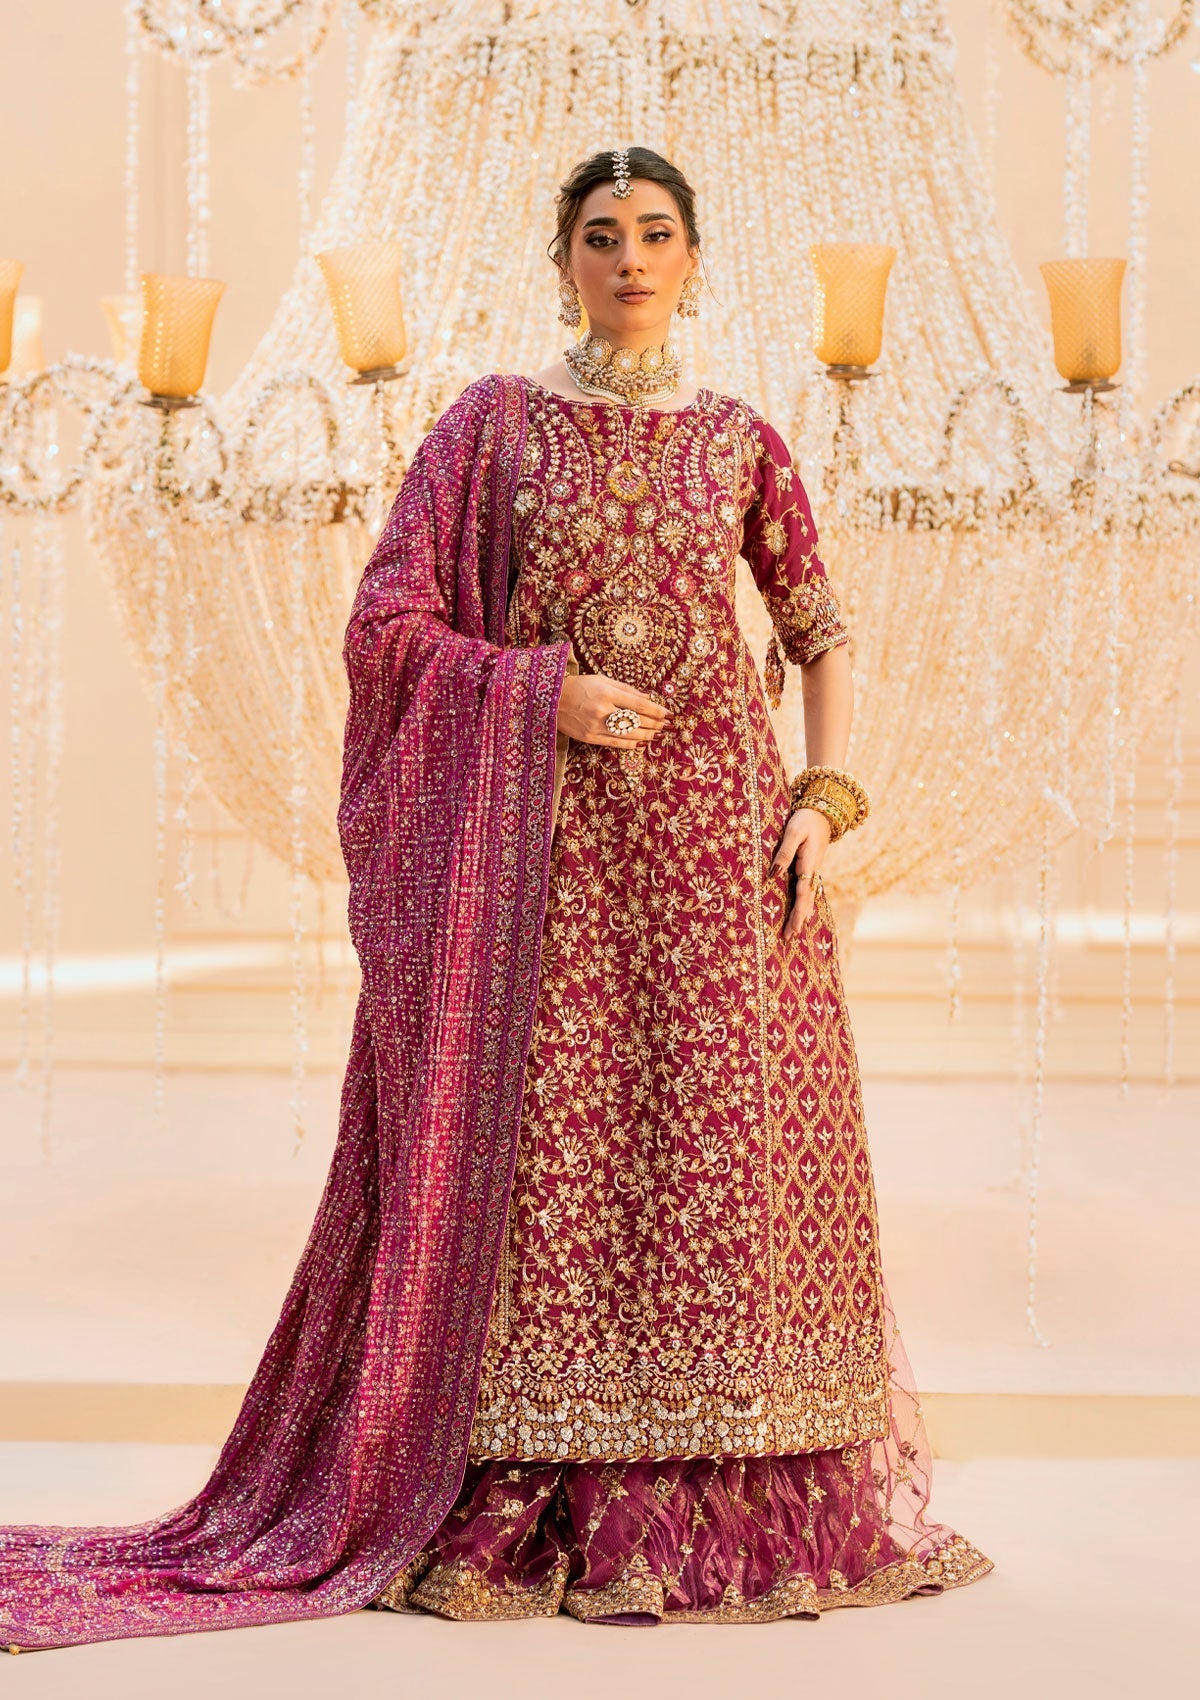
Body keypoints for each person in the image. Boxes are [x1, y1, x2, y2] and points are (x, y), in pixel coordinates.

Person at [0, 147, 989, 1652]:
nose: (630, 259)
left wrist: (823, 796)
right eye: (601, 235)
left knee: (712, 1145)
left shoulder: (742, 437)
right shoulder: (492, 427)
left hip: (721, 860)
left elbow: (818, 623)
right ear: (563, 260)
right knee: (557, 1151)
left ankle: (723, 1482)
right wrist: (541, 693)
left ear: (696, 259)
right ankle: (530, 1482)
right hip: (545, 866)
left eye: (656, 234)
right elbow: (387, 623)